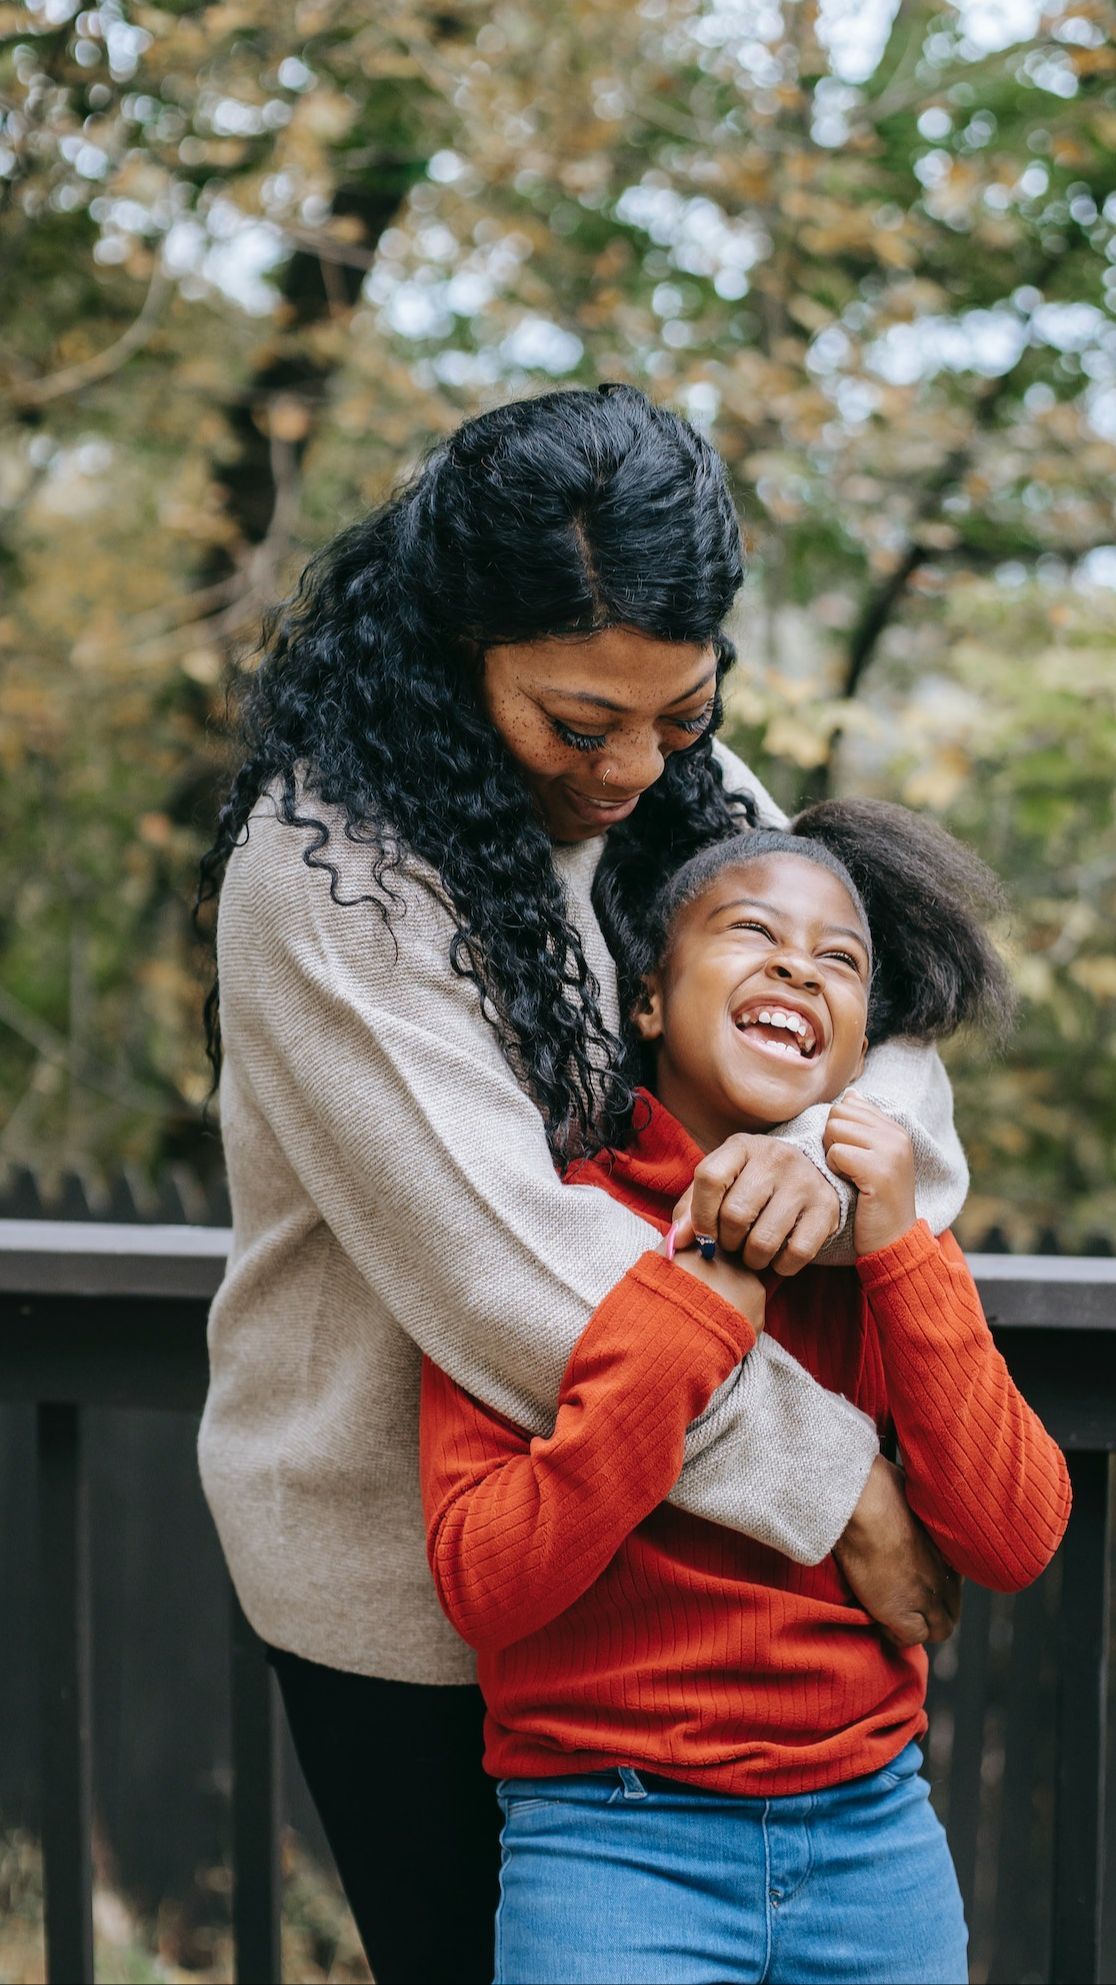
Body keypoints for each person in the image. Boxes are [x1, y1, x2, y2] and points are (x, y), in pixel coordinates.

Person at [197, 387, 968, 1984]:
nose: (631, 769)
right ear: (453, 648)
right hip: (423, 1602)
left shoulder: (694, 785)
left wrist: (823, 1179)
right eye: (577, 726)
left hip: (682, 1582)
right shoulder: (328, 871)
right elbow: (516, 1273)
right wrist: (844, 1489)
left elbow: (887, 1057)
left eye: (679, 714)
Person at [421, 800, 1071, 1985]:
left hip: (875, 1836)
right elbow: (486, 1581)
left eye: (841, 959)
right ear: (649, 999)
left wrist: (902, 1250)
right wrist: (696, 1313)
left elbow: (1015, 1536)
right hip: (611, 1845)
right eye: (751, 931)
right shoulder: (548, 1226)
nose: (797, 964)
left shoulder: (890, 1245)